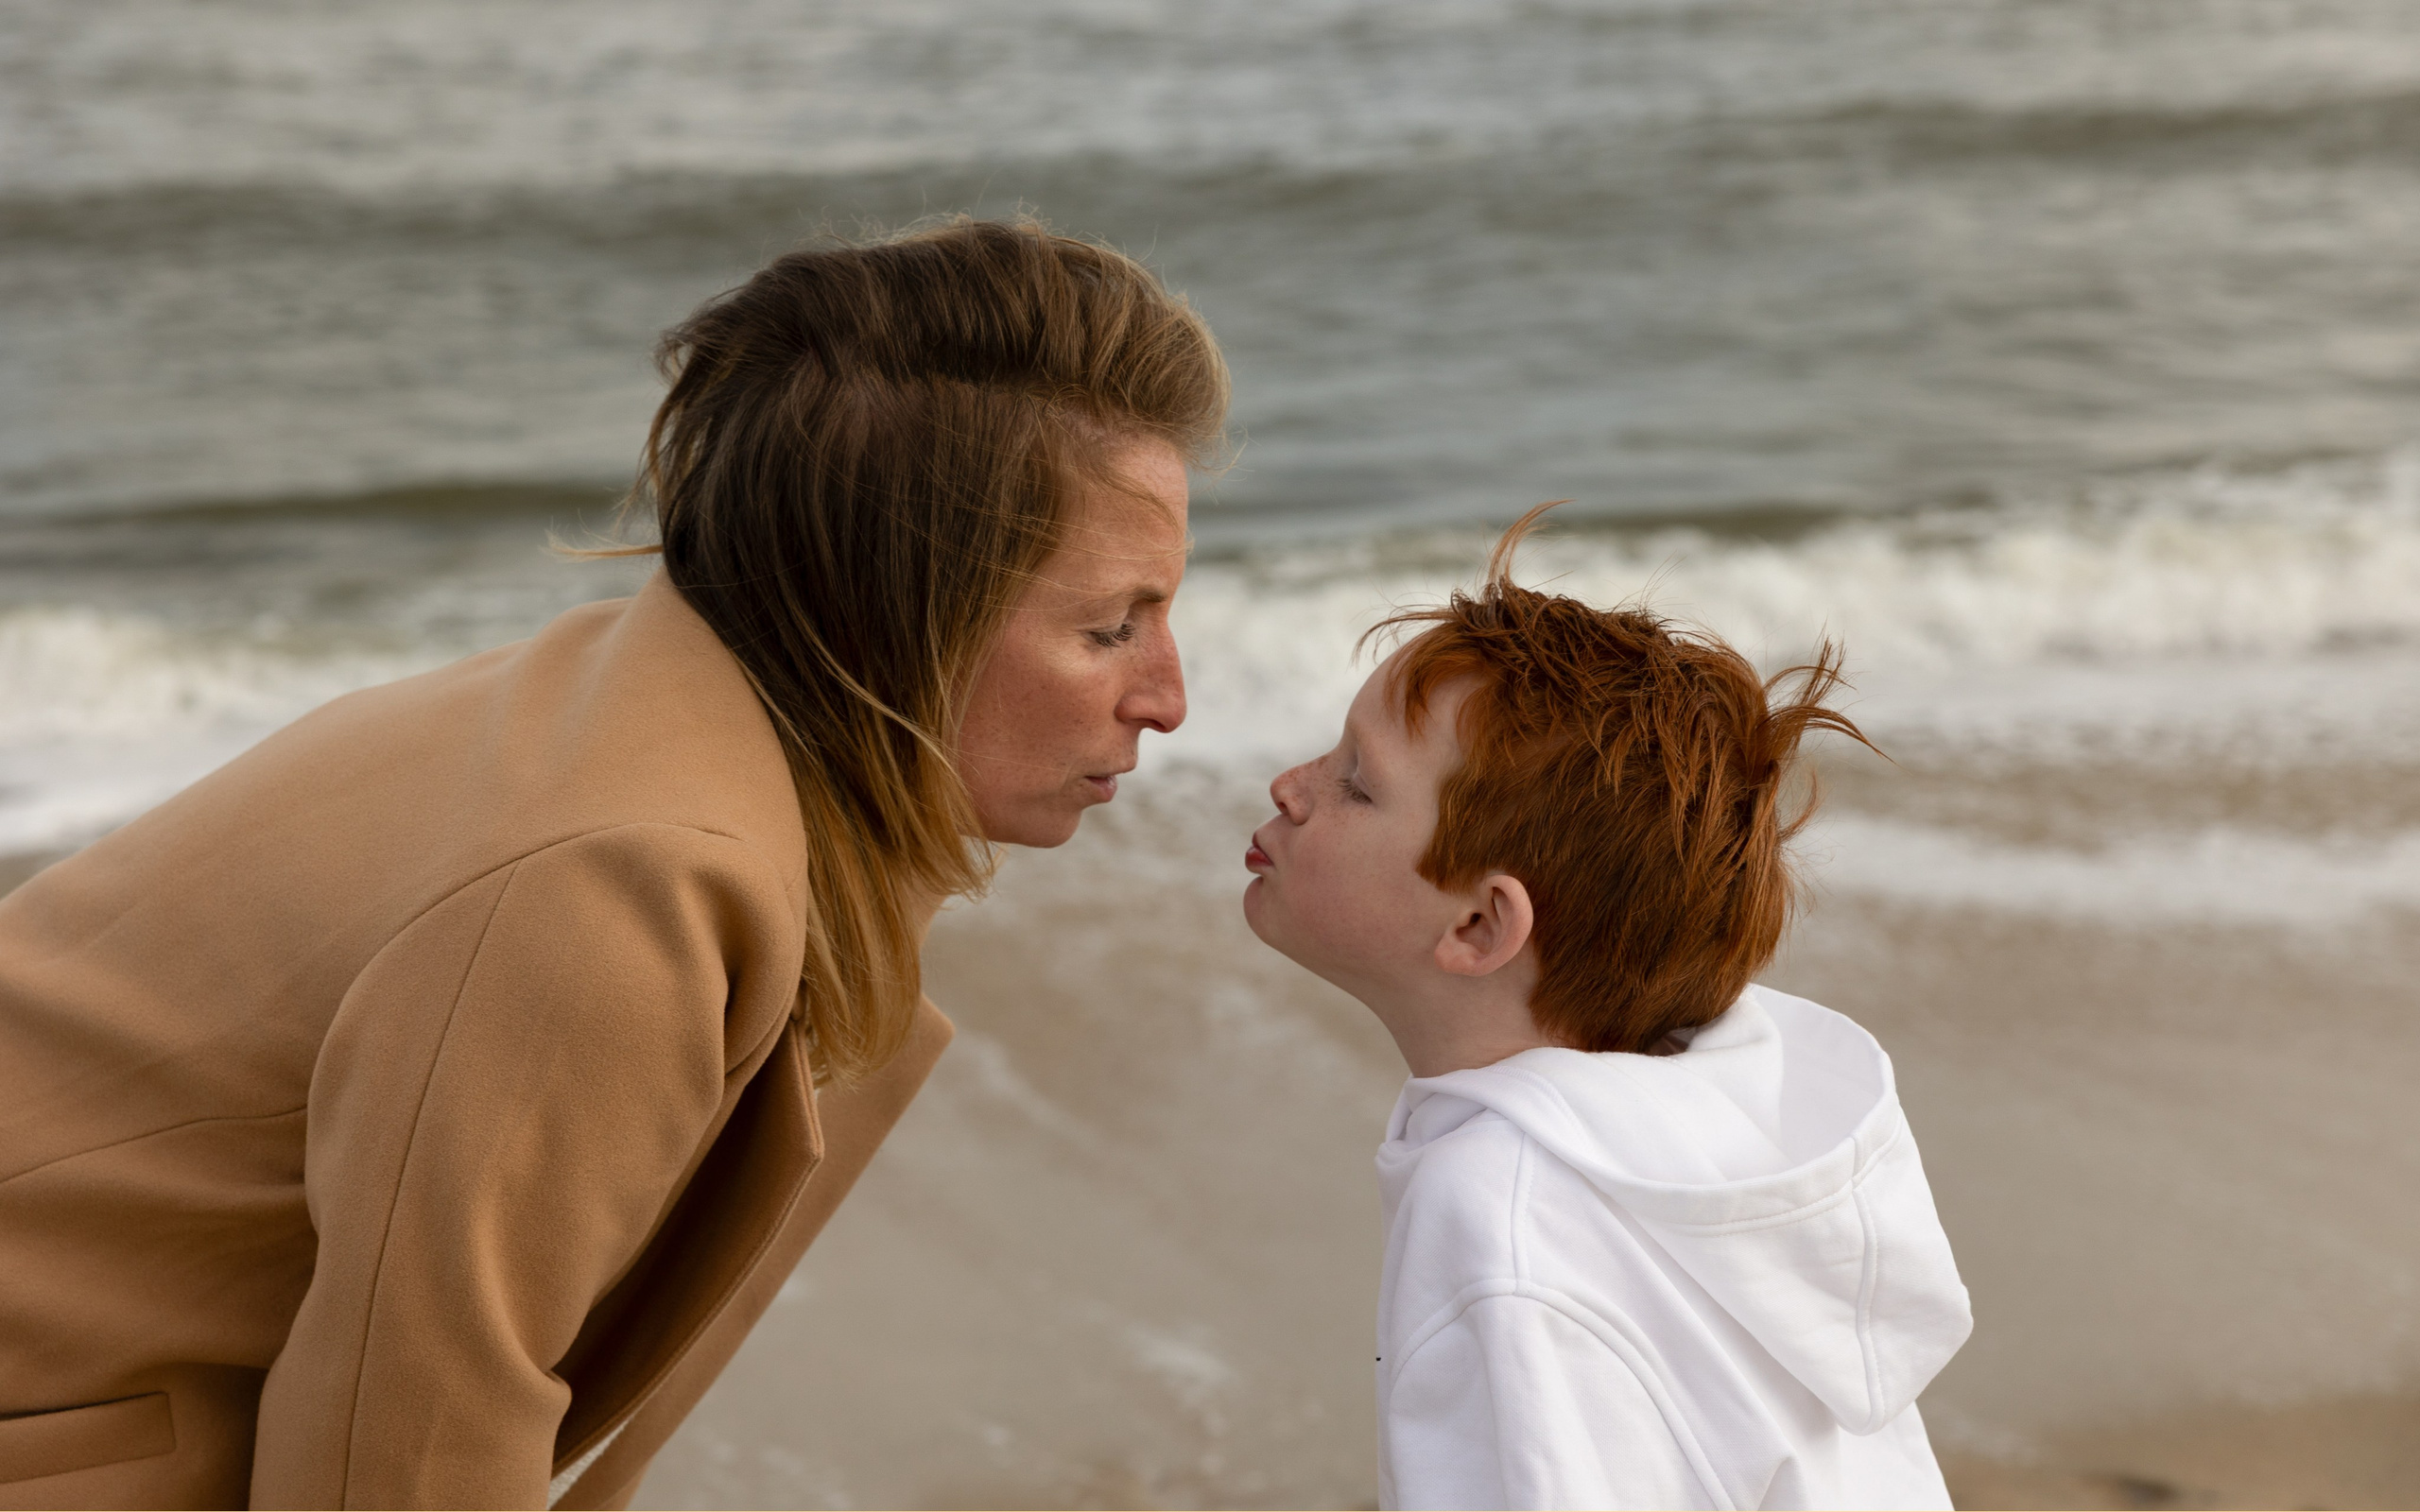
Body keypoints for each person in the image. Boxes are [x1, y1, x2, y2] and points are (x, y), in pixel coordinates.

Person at [0, 217, 1227, 1509]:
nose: (1167, 696)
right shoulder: (619, 888)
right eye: (1109, 628)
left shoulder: (641, 709)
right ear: (896, 614)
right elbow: (404, 1452)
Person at [1241, 508, 1973, 1510]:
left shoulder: (1500, 1209)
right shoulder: (1722, 1121)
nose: (1290, 787)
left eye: (1356, 782)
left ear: (1479, 924)